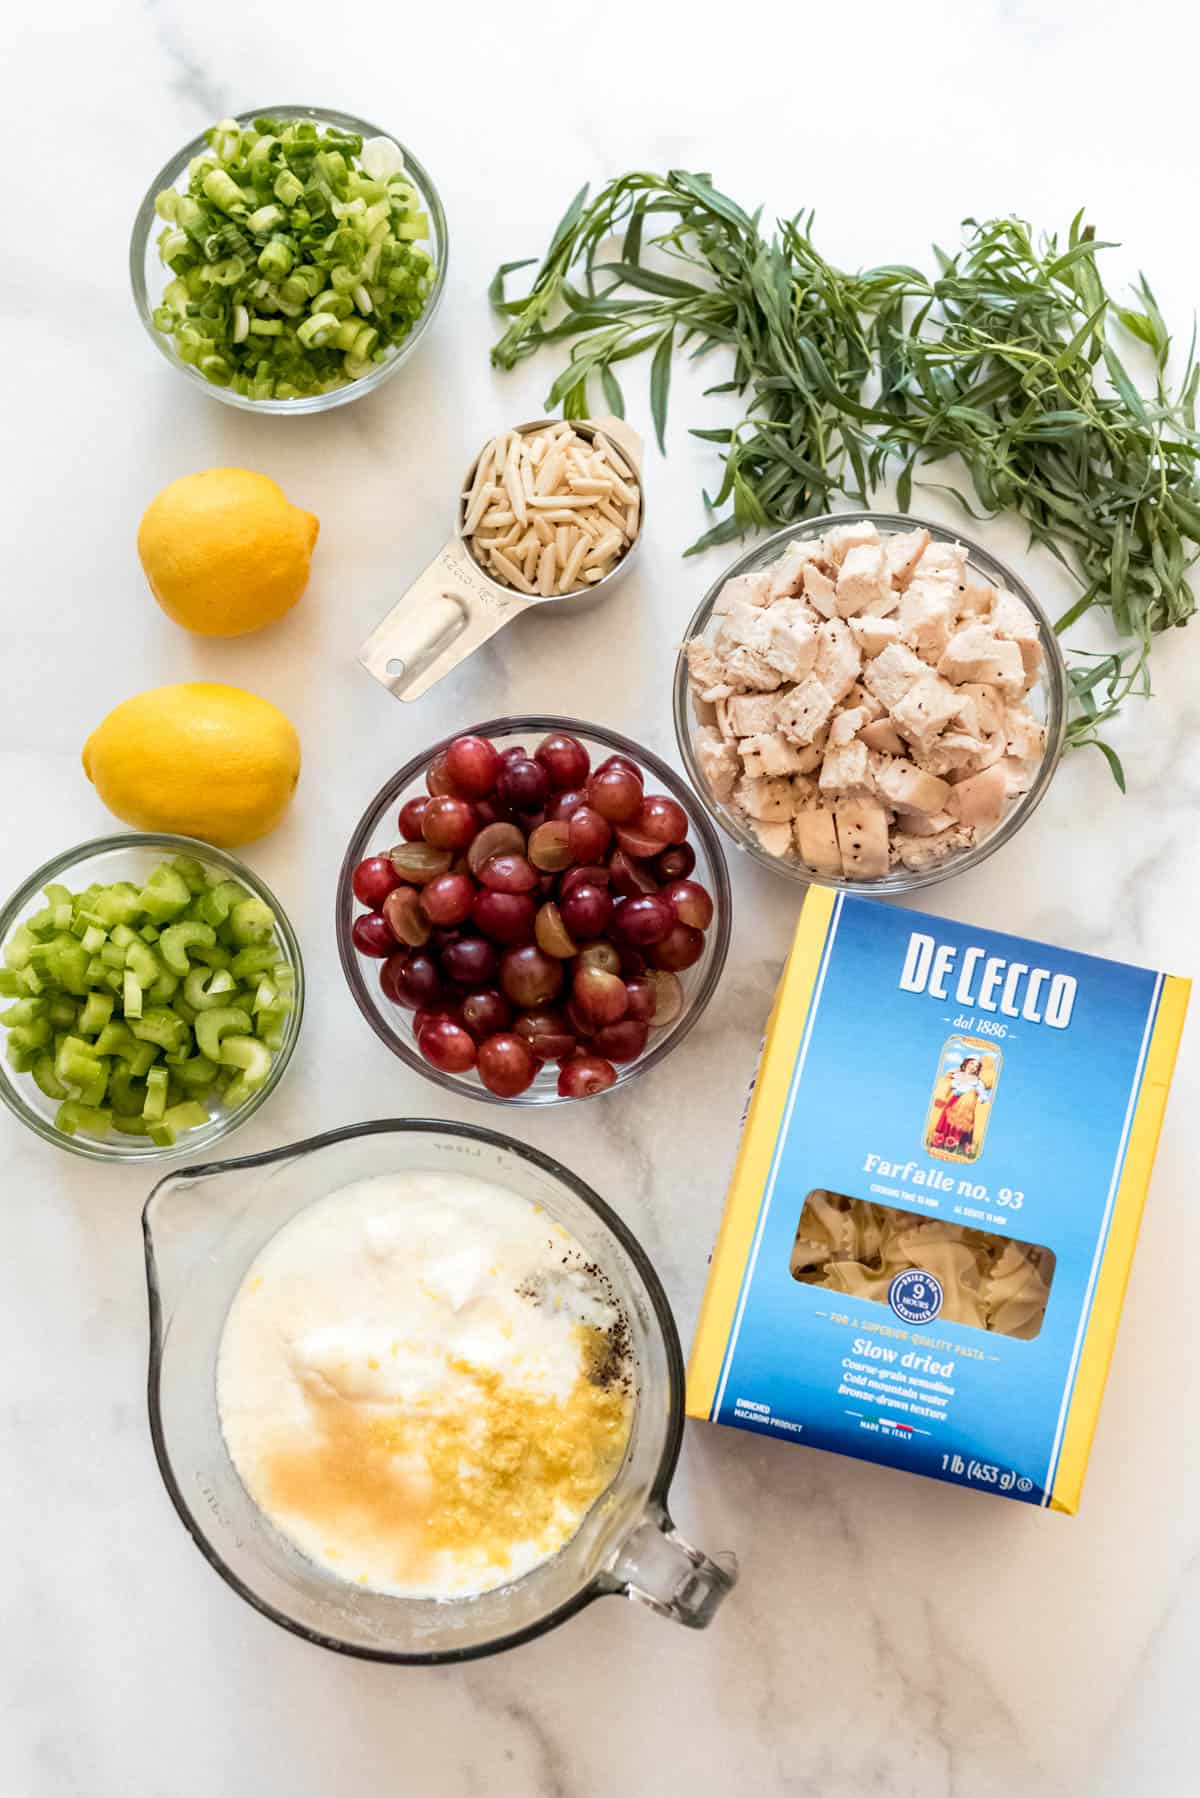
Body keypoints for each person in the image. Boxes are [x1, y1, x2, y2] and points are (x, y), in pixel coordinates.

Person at [929, 1055, 991, 1158]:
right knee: (946, 1121)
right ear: (966, 1063)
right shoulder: (957, 1075)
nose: (973, 1067)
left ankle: (956, 1145)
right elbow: (947, 1082)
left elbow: (983, 1095)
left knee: (960, 1125)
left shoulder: (977, 1081)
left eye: (976, 1066)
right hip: (953, 1101)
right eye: (971, 1063)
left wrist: (981, 1098)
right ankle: (940, 1142)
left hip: (966, 1106)